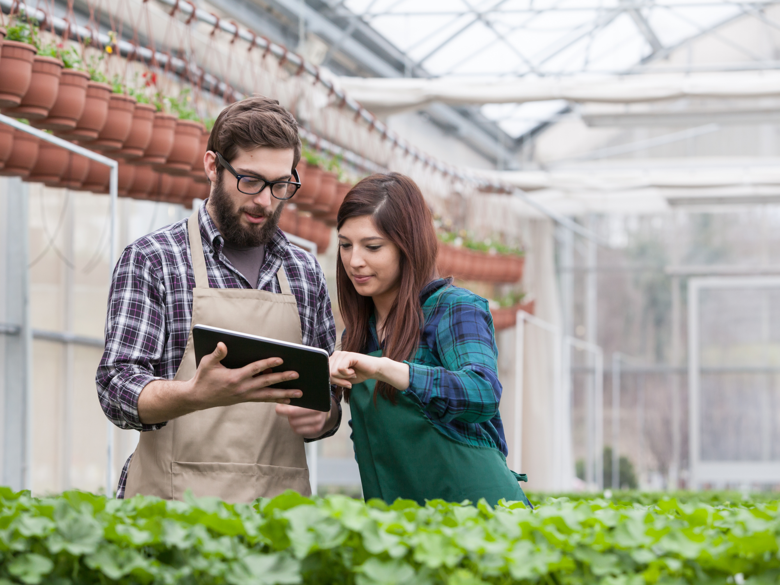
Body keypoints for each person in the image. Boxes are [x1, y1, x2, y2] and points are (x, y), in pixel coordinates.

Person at [96, 96, 341, 502]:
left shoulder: (304, 271)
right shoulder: (154, 259)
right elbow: (116, 386)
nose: (265, 200)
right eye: (250, 181)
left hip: (277, 515)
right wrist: (193, 394)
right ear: (213, 166)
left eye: (281, 185)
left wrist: (324, 416)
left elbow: (326, 392)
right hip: (174, 509)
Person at [329, 173, 531, 507]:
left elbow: (482, 392)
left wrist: (387, 369)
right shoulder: (357, 334)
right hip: (403, 524)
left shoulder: (453, 309)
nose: (354, 261)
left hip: (482, 516)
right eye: (345, 245)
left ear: (407, 246)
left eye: (372, 246)